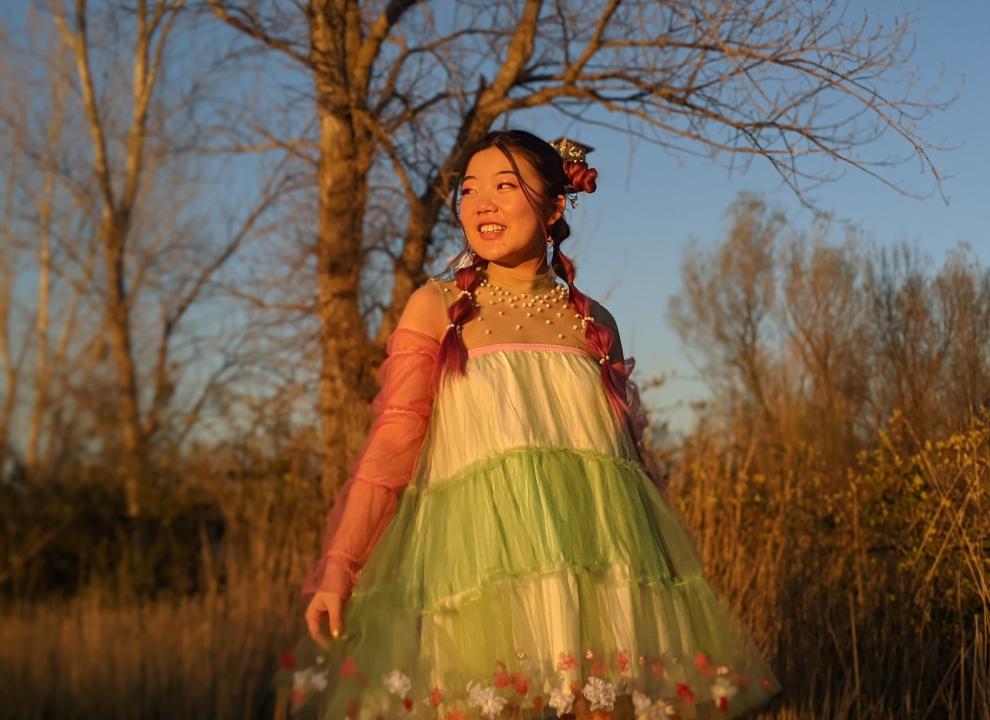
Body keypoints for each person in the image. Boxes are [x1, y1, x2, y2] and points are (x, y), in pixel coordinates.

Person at [274, 130, 780, 720]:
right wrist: (340, 566)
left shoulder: (594, 322)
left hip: (604, 574)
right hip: (482, 581)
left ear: (555, 205)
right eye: (468, 190)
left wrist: (667, 582)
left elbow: (632, 468)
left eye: (504, 186)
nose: (481, 203)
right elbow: (391, 446)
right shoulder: (437, 308)